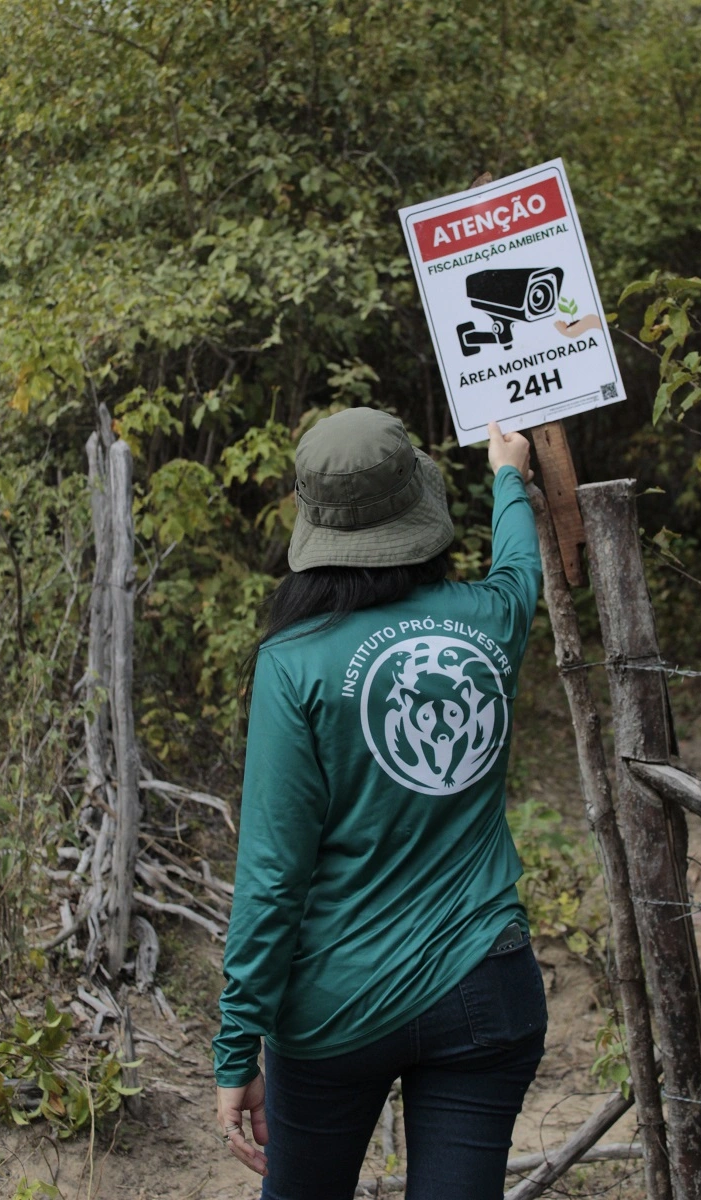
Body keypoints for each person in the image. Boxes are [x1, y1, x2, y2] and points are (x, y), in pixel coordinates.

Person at [213, 407, 546, 1200]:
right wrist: (510, 477)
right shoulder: (489, 622)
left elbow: (272, 875)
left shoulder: (292, 665)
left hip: (336, 1008)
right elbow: (519, 570)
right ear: (416, 508)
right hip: (485, 988)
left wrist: (237, 1048)